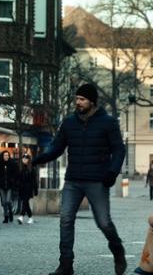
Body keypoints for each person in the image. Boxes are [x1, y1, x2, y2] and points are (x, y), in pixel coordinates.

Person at [32, 83, 127, 275]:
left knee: (104, 222)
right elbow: (57, 147)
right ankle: (66, 264)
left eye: (82, 99)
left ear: (92, 101)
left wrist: (112, 172)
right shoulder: (69, 123)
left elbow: (119, 149)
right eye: (76, 99)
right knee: (66, 219)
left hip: (97, 180)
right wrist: (41, 157)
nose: (78, 102)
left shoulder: (108, 122)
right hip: (73, 180)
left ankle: (118, 251)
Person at [0, 150, 18, 223]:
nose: (6, 157)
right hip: (2, 185)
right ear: (3, 156)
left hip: (9, 186)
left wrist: (13, 180)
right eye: (5, 155)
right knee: (4, 202)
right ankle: (6, 216)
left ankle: (11, 212)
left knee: (8, 201)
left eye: (7, 155)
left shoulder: (12, 164)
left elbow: (16, 174)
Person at [17, 154, 38, 224]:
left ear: (28, 160)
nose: (24, 160)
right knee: (26, 203)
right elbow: (18, 179)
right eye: (23, 158)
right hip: (22, 188)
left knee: (25, 202)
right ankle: (30, 217)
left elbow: (34, 180)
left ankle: (21, 216)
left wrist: (35, 190)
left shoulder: (31, 168)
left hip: (28, 188)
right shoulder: (20, 168)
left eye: (26, 159)